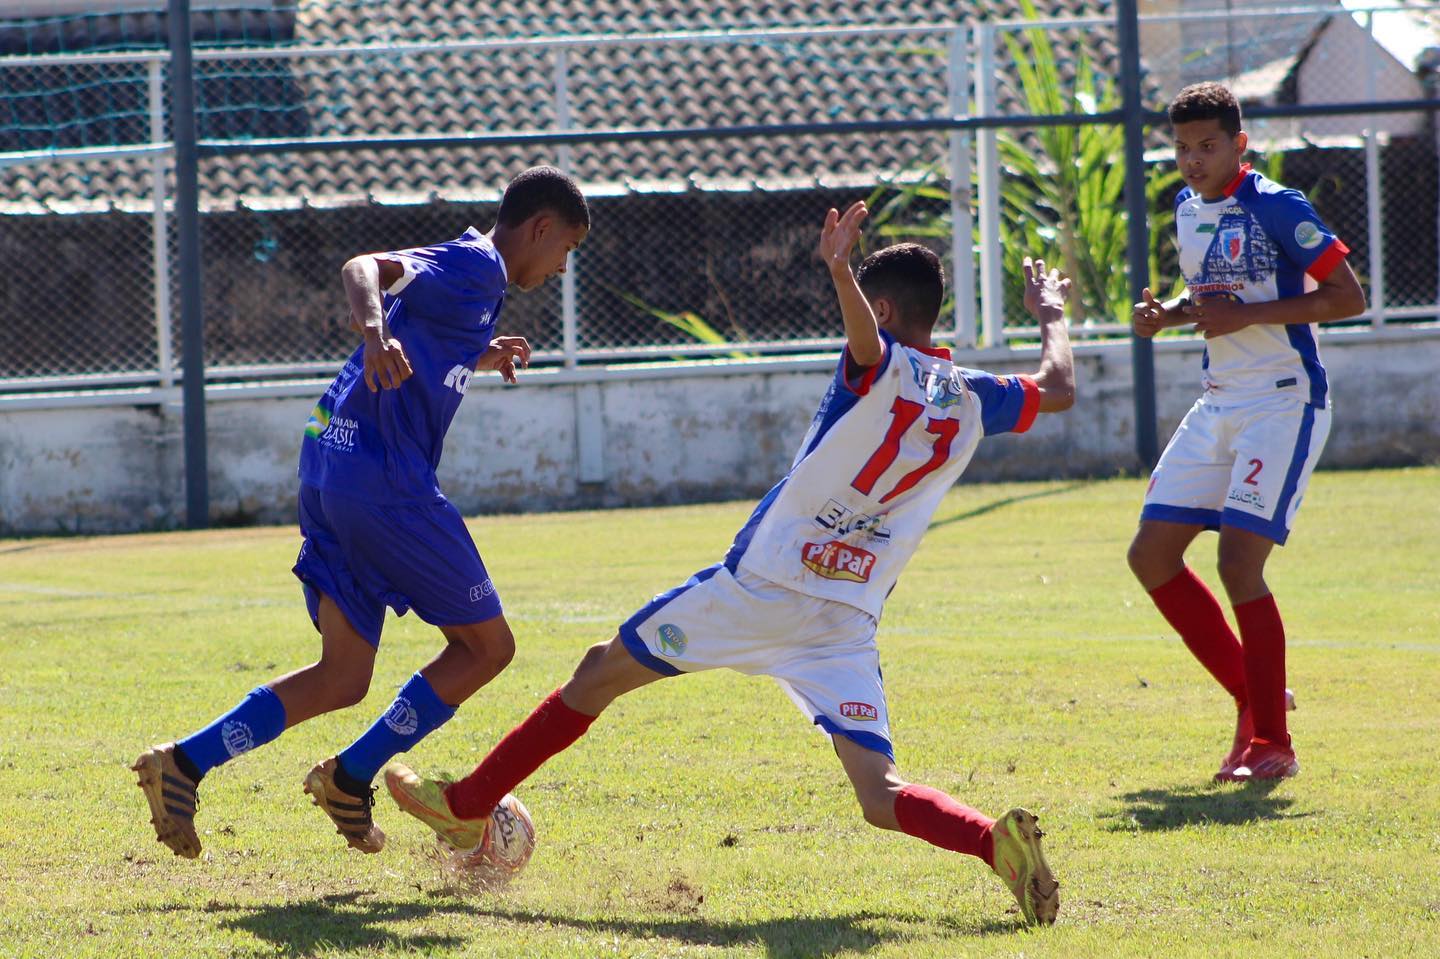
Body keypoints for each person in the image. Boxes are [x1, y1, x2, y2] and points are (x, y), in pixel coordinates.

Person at [385, 201, 1076, 925]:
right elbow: (1057, 389)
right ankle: (992, 843)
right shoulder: (973, 395)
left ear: (879, 306)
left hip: (765, 584)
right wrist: (1050, 312)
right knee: (879, 793)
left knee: (596, 673)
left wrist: (838, 268)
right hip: (845, 618)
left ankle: (464, 806)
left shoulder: (876, 364)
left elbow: (870, 349)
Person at [132, 165, 591, 858]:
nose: (561, 268)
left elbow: (428, 322)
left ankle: (183, 763)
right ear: (541, 228)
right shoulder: (474, 263)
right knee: (489, 647)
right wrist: (375, 334)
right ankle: (350, 774)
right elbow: (363, 268)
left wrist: (477, 351)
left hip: (329, 463)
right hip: (385, 481)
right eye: (565, 251)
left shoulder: (478, 291)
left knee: (343, 676)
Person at [1128, 83, 1365, 782]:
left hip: (1282, 403)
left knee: (1238, 564)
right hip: (1218, 401)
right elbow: (1214, 300)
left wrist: (1248, 318)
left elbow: (1348, 297)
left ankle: (1272, 741)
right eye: (1182, 148)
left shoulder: (1278, 206)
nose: (1193, 161)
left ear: (1240, 143)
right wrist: (1167, 315)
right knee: (1151, 555)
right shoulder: (1187, 208)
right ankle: (1253, 694)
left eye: (1207, 146)